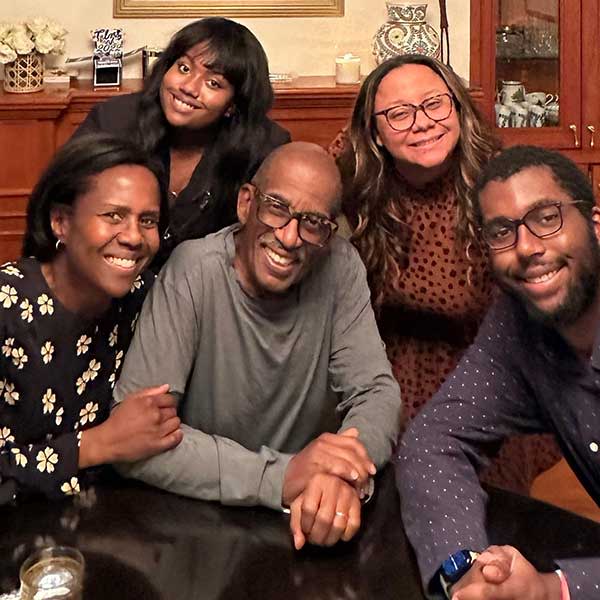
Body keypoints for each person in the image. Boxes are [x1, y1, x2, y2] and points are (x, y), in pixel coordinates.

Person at [113, 142, 402, 549]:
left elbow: (376, 392)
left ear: (329, 232)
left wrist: (341, 473)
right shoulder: (193, 271)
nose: (289, 237)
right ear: (246, 203)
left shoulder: (340, 266)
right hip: (201, 521)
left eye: (313, 223)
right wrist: (282, 476)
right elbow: (138, 441)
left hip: (309, 515)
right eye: (277, 208)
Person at [334, 53, 560, 492]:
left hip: (483, 381)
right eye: (398, 114)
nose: (421, 122)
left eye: (435, 104)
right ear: (375, 134)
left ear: (456, 108)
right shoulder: (354, 180)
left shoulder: (506, 184)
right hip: (383, 384)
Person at [398, 146, 600, 600]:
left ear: (595, 224)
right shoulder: (517, 320)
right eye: (502, 232)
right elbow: (435, 441)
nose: (527, 248)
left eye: (547, 218)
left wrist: (555, 589)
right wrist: (467, 567)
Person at [0, 133, 183, 504]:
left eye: (147, 220)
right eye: (113, 216)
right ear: (61, 223)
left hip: (109, 525)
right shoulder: (8, 305)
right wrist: (96, 446)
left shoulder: (148, 297)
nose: (133, 237)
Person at [73, 17, 291, 270]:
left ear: (233, 105)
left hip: (205, 290)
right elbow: (60, 203)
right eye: (184, 68)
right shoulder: (113, 121)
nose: (188, 87)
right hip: (106, 278)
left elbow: (266, 241)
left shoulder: (264, 147)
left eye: (213, 83)